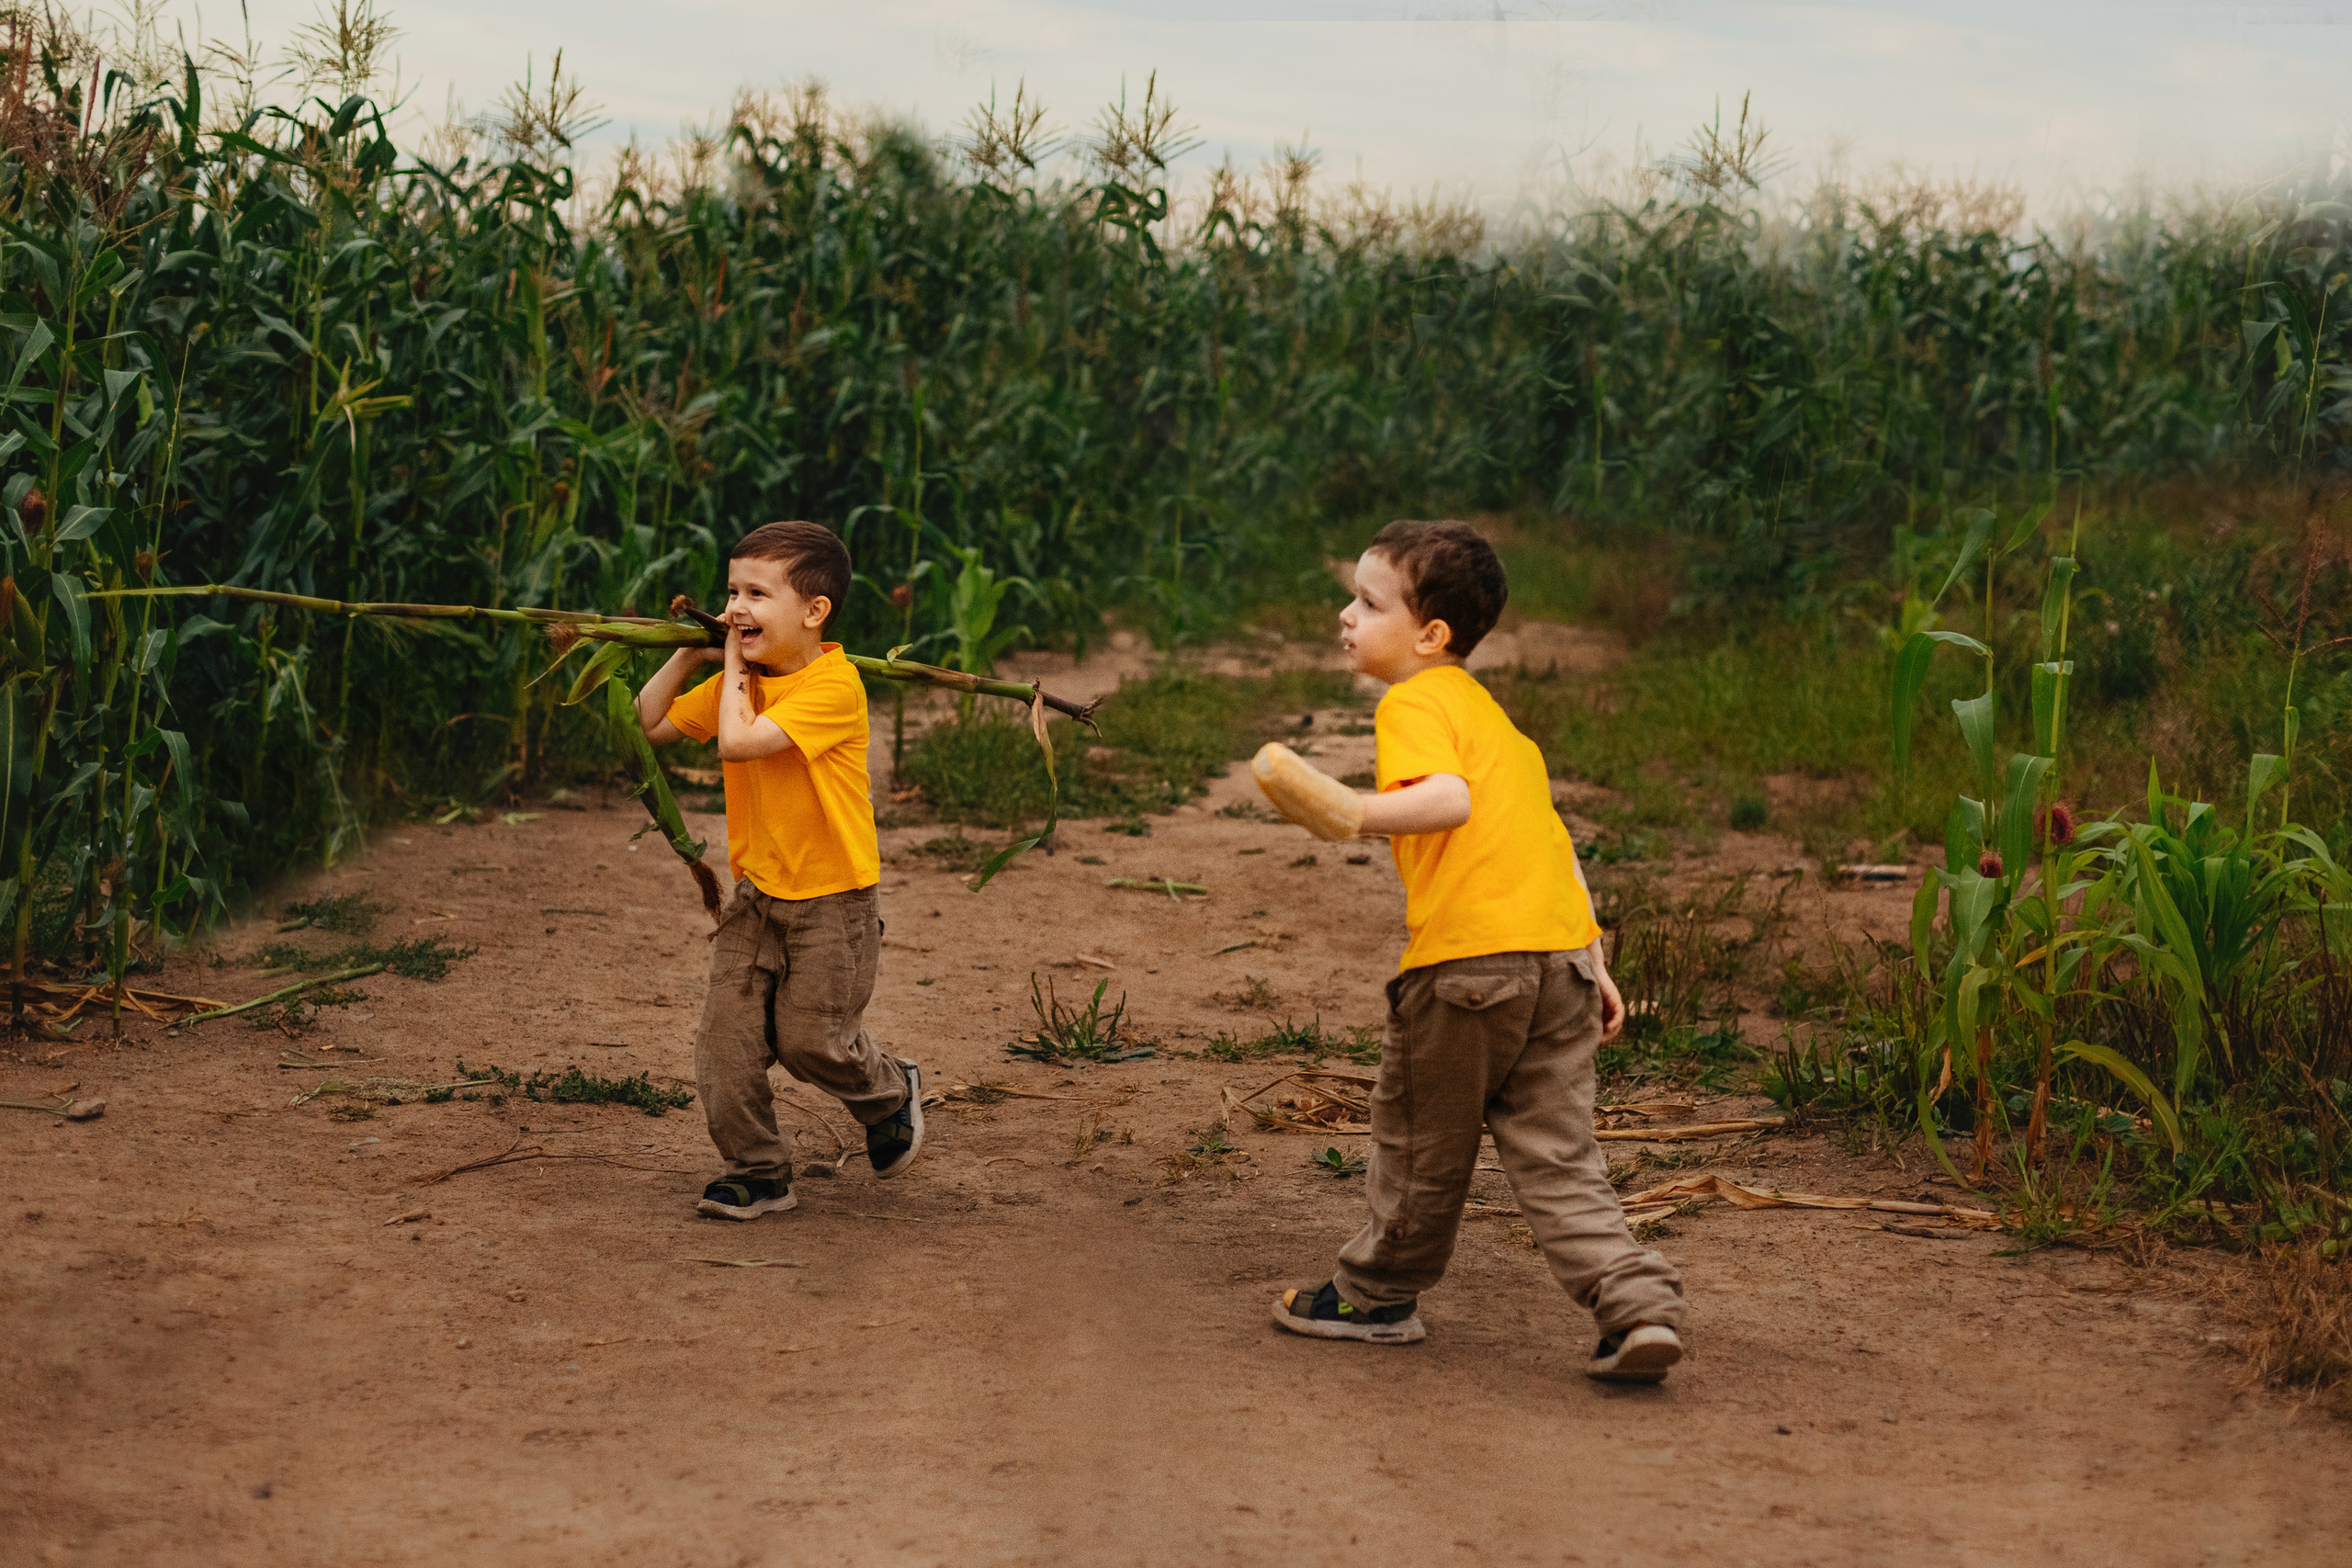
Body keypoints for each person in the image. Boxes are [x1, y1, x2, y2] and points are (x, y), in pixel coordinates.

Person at [1257, 519, 1686, 1382]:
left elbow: (1447, 802)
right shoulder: (1498, 723)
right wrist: (1594, 960)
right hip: (1558, 960)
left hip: (1468, 973)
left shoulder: (1413, 702)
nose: (1346, 615)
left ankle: (1376, 1297)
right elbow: (1553, 842)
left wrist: (1351, 811)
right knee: (1560, 1155)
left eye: (1368, 601)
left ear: (1430, 635)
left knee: (1421, 1137)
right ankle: (1637, 1305)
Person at [635, 520, 922, 1220]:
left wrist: (731, 667)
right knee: (724, 1045)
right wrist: (688, 658)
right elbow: (646, 723)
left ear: (814, 611)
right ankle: (758, 1170)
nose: (735, 608)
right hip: (755, 899)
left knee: (810, 1041)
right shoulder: (744, 682)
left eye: (757, 594)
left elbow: (738, 744)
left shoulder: (834, 686)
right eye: (731, 591)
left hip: (834, 905)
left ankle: (889, 1092)